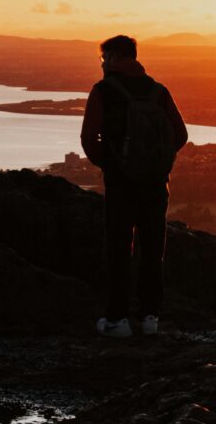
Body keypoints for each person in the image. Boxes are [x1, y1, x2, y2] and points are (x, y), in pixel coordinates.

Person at [79, 34, 187, 337]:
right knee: (153, 248)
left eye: (103, 59)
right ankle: (150, 317)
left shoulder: (103, 91)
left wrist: (111, 164)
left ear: (113, 58)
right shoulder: (158, 92)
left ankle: (117, 320)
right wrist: (158, 162)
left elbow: (89, 139)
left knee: (118, 248)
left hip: (121, 184)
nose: (102, 65)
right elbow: (180, 135)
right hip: (155, 183)